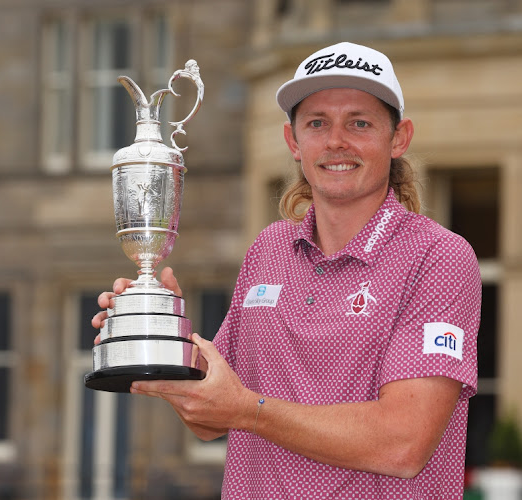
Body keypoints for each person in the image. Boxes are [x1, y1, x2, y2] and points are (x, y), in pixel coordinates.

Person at [93, 41, 481, 499]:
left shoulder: (438, 256)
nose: (336, 141)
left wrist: (248, 411)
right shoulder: (269, 249)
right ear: (293, 141)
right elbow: (210, 419)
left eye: (359, 122)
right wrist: (164, 338)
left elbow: (403, 443)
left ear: (399, 138)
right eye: (317, 123)